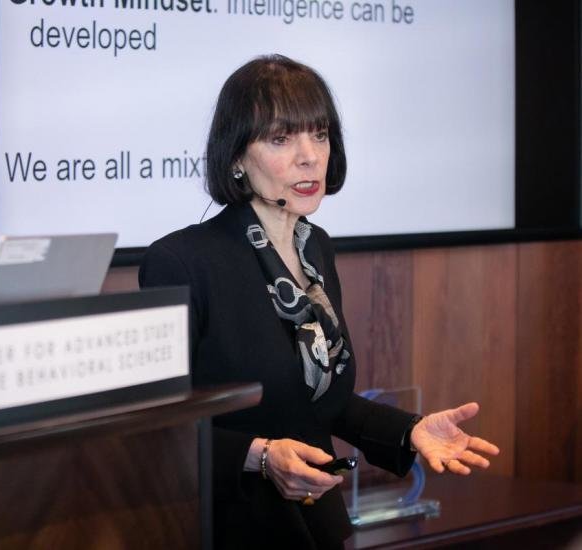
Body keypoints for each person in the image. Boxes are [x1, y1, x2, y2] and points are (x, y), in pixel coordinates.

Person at [139, 54, 499, 549]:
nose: (310, 156)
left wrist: (410, 431)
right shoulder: (180, 263)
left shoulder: (315, 248)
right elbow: (157, 434)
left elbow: (314, 401)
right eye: (280, 138)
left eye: (320, 134)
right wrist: (259, 455)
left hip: (315, 522)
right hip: (228, 526)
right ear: (237, 157)